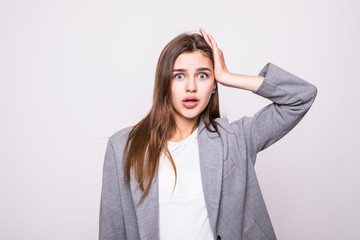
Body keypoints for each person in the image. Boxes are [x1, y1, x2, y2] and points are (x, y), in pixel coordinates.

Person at [99, 28, 318, 240]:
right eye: (179, 76)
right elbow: (112, 229)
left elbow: (301, 97)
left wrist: (227, 76)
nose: (191, 87)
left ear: (214, 84)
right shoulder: (123, 147)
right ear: (165, 83)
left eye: (202, 75)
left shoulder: (235, 139)